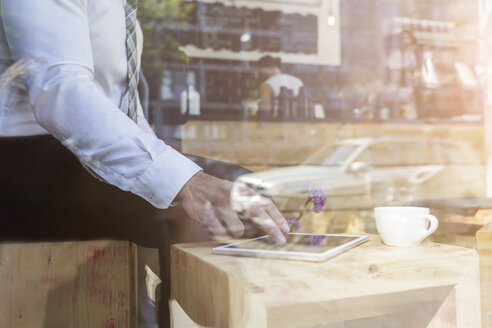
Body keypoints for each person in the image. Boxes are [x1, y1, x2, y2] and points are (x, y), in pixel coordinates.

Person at [0, 1, 289, 327]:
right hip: (35, 164)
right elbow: (61, 92)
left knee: (242, 188)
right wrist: (184, 181)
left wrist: (162, 152)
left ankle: (158, 309)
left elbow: (119, 102)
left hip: (86, 157)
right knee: (202, 206)